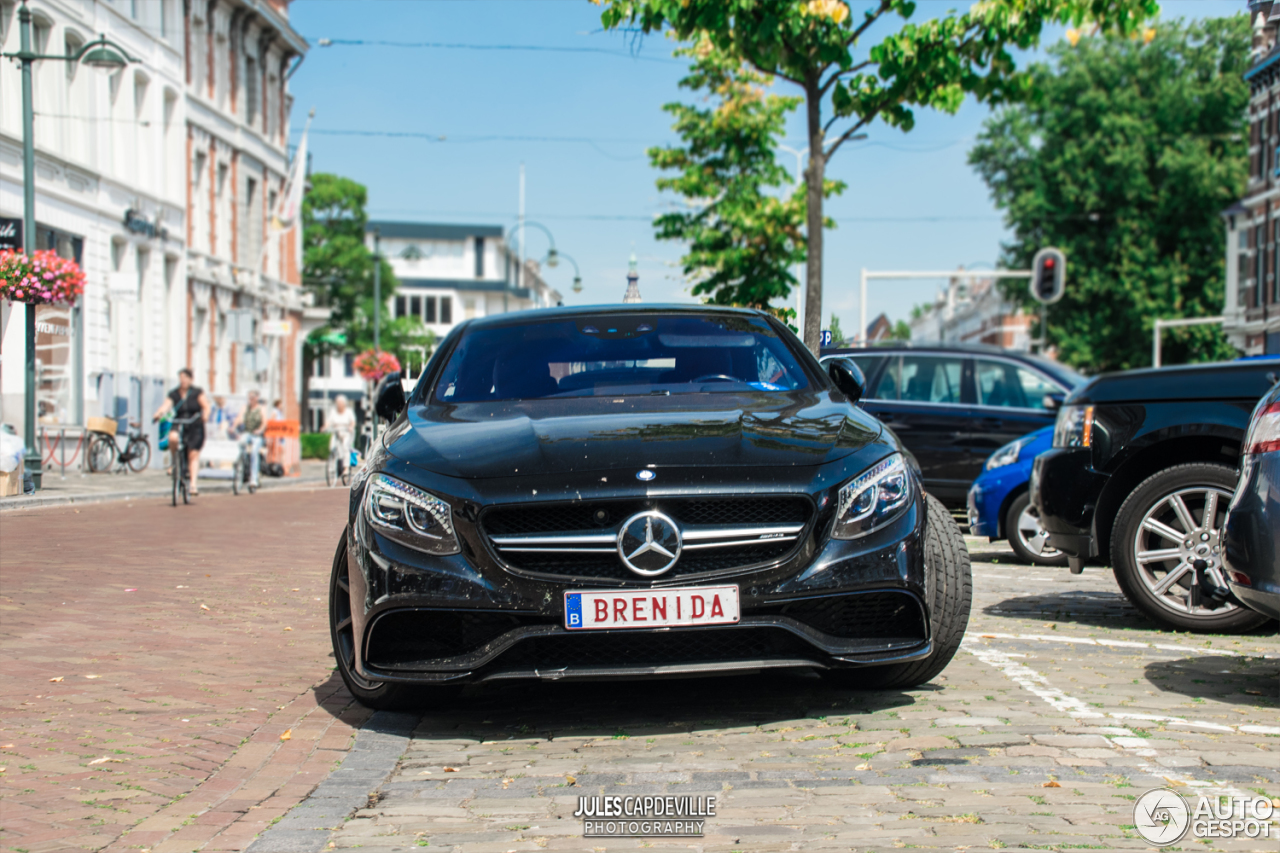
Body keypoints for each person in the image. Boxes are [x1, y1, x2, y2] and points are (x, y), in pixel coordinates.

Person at [153, 368, 211, 495]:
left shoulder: (197, 392)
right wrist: (158, 413)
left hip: (194, 424)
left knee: (193, 455)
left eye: (185, 378)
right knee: (172, 437)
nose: (183, 381)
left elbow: (206, 406)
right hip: (179, 421)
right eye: (181, 378)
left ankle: (193, 486)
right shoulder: (174, 393)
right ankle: (175, 462)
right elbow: (166, 405)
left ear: (191, 379)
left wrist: (205, 415)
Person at [233, 389, 267, 487]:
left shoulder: (261, 408)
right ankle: (242, 465)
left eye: (252, 397)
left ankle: (253, 479)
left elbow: (264, 422)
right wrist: (234, 426)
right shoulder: (245, 407)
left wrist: (260, 429)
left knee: (254, 452)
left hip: (257, 435)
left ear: (257, 398)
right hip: (247, 432)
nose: (250, 399)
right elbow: (240, 417)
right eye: (249, 397)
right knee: (241, 443)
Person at [325, 394, 357, 476]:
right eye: (337, 403)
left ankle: (346, 468)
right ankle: (332, 467)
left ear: (344, 404)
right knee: (332, 447)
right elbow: (329, 421)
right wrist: (324, 427)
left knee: (345, 447)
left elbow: (353, 421)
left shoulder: (348, 411)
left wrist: (350, 427)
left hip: (346, 432)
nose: (339, 404)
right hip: (336, 431)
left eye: (340, 403)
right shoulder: (333, 411)